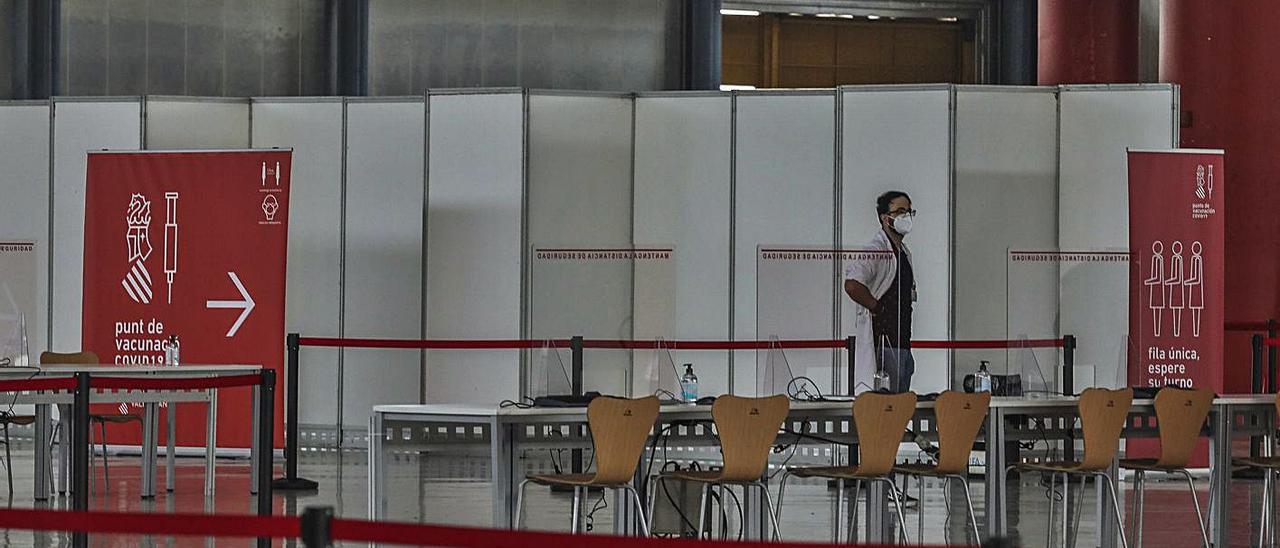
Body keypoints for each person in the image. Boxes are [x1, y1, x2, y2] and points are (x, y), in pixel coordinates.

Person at [845, 190, 917, 393]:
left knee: (900, 410)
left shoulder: (903, 253)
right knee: (884, 411)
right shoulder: (876, 250)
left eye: (909, 211)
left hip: (902, 344)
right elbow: (852, 284)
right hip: (883, 347)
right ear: (885, 218)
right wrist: (876, 307)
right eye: (900, 211)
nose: (906, 217)